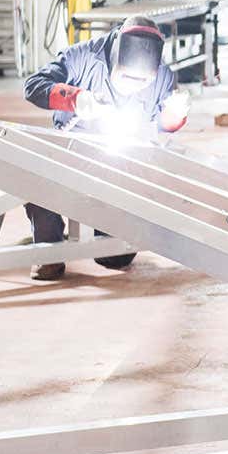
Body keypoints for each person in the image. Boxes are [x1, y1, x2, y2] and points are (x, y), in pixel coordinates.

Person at [22, 15, 190, 280]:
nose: (133, 87)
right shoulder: (83, 56)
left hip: (121, 163)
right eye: (126, 78)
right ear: (115, 56)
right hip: (71, 149)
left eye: (142, 82)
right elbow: (33, 86)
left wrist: (174, 116)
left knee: (115, 257)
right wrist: (76, 99)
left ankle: (107, 239)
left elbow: (165, 123)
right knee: (38, 170)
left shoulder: (163, 77)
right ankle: (48, 250)